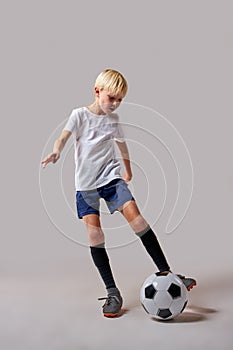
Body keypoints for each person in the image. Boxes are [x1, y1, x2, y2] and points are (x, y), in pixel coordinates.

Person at [41, 69, 196, 318]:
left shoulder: (113, 120)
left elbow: (121, 143)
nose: (115, 104)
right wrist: (57, 151)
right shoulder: (79, 115)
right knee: (95, 235)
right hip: (86, 185)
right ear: (97, 91)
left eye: (120, 100)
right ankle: (112, 292)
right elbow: (63, 137)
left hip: (111, 179)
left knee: (138, 220)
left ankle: (168, 273)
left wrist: (128, 169)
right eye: (111, 98)